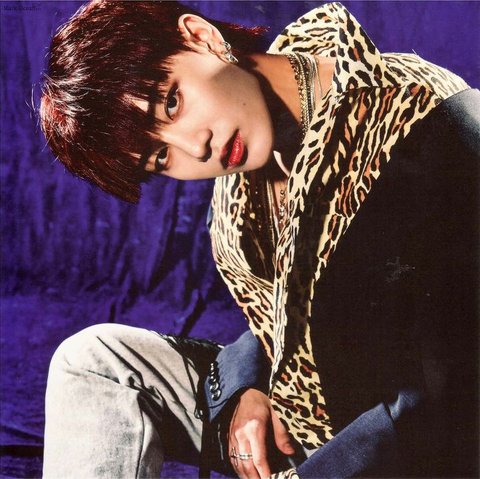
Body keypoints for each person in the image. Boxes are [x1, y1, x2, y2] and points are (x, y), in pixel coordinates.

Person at [40, 1, 479, 478]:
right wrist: (246, 388)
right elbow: (294, 310)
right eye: (160, 156)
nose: (195, 147)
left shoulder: (426, 123)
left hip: (408, 447)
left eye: (172, 102)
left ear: (202, 37)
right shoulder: (248, 170)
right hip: (310, 420)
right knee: (93, 363)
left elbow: (451, 391)